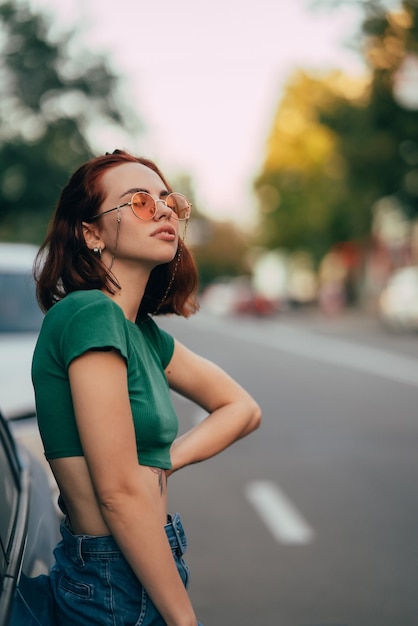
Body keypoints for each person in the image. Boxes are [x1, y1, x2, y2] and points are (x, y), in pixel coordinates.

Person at [18, 149, 261, 626]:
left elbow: (242, 408)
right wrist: (184, 619)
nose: (164, 209)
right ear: (92, 232)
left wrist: (167, 461)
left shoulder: (142, 333)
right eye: (140, 202)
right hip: (112, 578)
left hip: (140, 562)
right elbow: (119, 494)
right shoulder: (89, 313)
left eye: (168, 201)